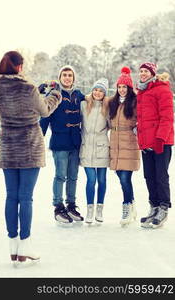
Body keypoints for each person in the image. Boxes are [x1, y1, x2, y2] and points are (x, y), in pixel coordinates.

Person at [0, 51, 61, 266]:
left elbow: (14, 108)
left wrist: (37, 93)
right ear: (19, 67)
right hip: (29, 146)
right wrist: (55, 94)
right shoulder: (27, 88)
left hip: (9, 147)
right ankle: (25, 244)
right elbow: (45, 110)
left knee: (11, 196)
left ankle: (13, 245)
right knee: (26, 197)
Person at [39, 65, 85, 224]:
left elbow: (95, 103)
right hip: (60, 141)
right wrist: (39, 137)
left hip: (75, 142)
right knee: (60, 176)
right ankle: (58, 206)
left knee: (73, 176)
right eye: (64, 75)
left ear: (73, 78)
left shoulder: (79, 95)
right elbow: (45, 116)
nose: (67, 78)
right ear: (60, 78)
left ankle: (71, 205)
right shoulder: (54, 95)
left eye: (70, 75)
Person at [136, 62, 174, 229]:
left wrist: (160, 138)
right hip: (146, 142)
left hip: (161, 142)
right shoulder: (141, 92)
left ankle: (163, 208)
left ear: (152, 73)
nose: (143, 74)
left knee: (160, 175)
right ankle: (154, 206)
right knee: (149, 175)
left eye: (146, 71)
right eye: (141, 71)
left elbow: (167, 117)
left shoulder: (163, 89)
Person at [108, 67, 140, 226]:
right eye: (119, 87)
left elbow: (144, 116)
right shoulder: (112, 103)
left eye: (124, 87)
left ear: (129, 88)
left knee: (125, 178)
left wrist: (138, 128)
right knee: (121, 177)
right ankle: (132, 205)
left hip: (129, 142)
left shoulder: (135, 102)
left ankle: (127, 207)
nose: (121, 90)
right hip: (115, 143)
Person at [80, 78, 110, 224]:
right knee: (91, 179)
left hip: (102, 148)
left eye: (101, 91)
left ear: (105, 93)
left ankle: (100, 208)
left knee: (102, 180)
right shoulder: (84, 105)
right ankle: (90, 209)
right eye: (96, 90)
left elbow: (113, 125)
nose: (98, 93)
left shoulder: (108, 108)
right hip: (86, 147)